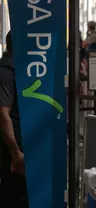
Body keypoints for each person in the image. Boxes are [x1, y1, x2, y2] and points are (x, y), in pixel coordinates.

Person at [0, 31, 28, 207]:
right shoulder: (6, 73)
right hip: (12, 150)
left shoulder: (18, 70)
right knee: (13, 195)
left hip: (21, 145)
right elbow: (3, 114)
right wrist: (15, 151)